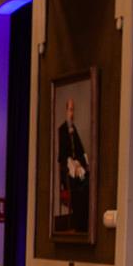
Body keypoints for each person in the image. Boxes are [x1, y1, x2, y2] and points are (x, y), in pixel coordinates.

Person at [55, 97, 90, 236]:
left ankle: (84, 223)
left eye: (73, 110)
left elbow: (80, 150)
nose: (71, 113)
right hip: (68, 171)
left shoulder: (73, 129)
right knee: (76, 187)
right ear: (66, 111)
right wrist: (71, 164)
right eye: (70, 109)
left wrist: (82, 162)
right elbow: (63, 155)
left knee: (86, 184)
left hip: (77, 167)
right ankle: (78, 222)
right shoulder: (62, 130)